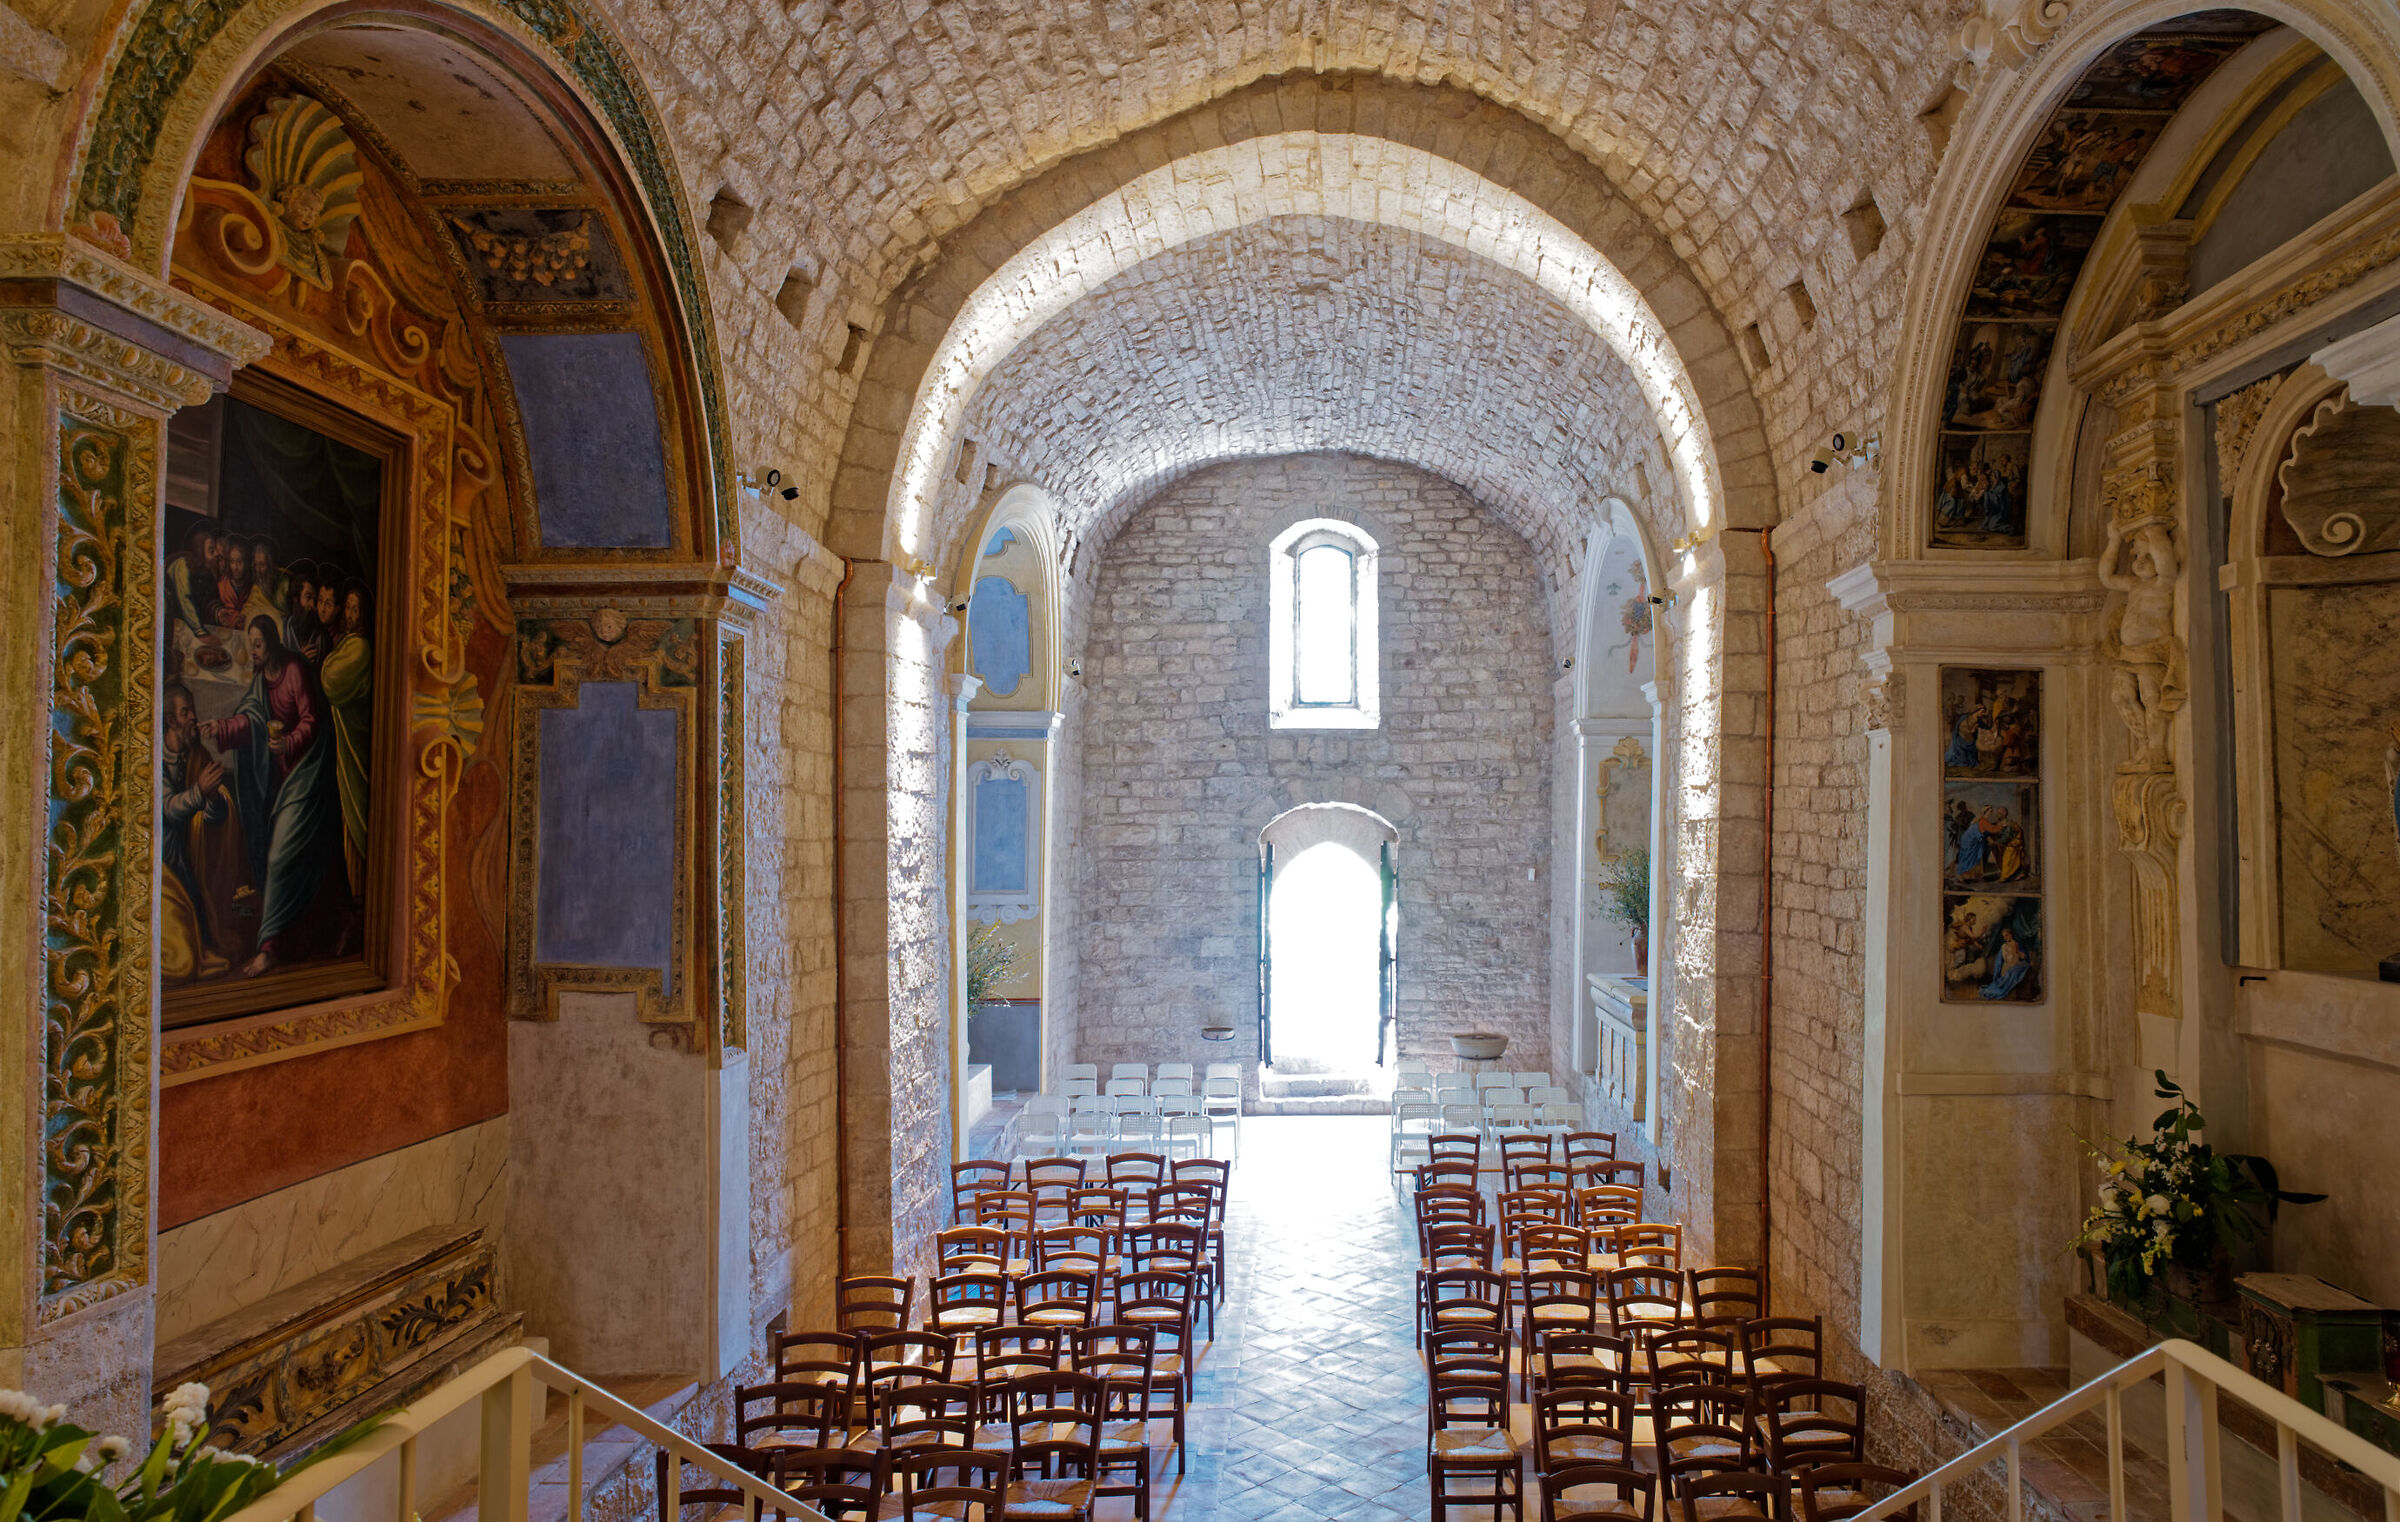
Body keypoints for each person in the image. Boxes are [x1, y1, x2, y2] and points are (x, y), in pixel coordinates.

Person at [201, 616, 341, 977]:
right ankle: (305, 936)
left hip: (307, 774)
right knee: (301, 858)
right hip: (284, 777)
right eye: (250, 644)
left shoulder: (294, 670)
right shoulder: (262, 681)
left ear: (274, 643)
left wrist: (288, 742)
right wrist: (222, 727)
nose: (253, 652)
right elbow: (251, 720)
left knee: (281, 857)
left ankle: (269, 948)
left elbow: (311, 720)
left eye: (258, 644)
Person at [159, 682, 231, 983]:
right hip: (159, 870)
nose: (193, 718)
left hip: (185, 865)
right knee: (182, 962)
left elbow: (216, 820)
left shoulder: (196, 755)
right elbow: (167, 809)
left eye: (192, 710)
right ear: (171, 720)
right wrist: (199, 792)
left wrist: (213, 798)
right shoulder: (154, 759)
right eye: (185, 712)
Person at [319, 580, 374, 896]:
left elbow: (332, 681)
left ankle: (358, 893)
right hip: (344, 740)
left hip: (354, 744)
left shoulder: (360, 647)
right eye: (349, 608)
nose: (351, 614)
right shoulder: (348, 643)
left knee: (353, 812)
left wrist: (325, 664)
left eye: (356, 609)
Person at [166, 525, 217, 637]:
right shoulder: (182, 565)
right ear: (200, 552)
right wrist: (200, 631)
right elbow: (185, 598)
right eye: (211, 551)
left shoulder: (205, 573)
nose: (216, 555)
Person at [1981, 926, 2033, 1000]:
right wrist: (2013, 953)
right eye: (2004, 936)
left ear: (2011, 934)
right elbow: (2007, 959)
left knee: (2020, 968)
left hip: (2017, 964)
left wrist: (2018, 952)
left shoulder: (2017, 944)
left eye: (2007, 935)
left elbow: (2023, 957)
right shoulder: (2004, 946)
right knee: (2012, 971)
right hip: (2007, 966)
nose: (2005, 938)